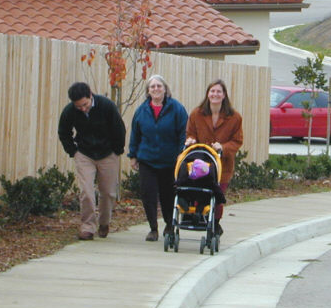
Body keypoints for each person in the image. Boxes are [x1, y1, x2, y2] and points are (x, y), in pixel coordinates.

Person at [58, 82, 126, 241]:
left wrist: (117, 150)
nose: (82, 108)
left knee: (108, 192)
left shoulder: (106, 106)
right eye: (78, 106)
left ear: (90, 96)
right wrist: (73, 151)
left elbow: (119, 129)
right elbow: (63, 132)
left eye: (85, 104)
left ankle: (104, 222)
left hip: (108, 153)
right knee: (87, 192)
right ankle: (88, 227)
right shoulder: (69, 112)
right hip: (84, 154)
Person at [128, 75, 188, 242]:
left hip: (169, 161)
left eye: (159, 86)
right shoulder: (141, 110)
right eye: (152, 87)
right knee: (148, 194)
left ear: (165, 89)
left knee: (168, 195)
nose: (156, 89)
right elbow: (135, 134)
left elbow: (183, 133)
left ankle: (169, 225)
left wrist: (180, 153)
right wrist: (133, 155)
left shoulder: (176, 109)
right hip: (147, 160)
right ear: (148, 91)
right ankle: (153, 228)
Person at [185, 79, 243, 236]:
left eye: (218, 91)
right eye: (212, 91)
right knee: (199, 191)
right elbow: (190, 133)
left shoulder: (234, 117)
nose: (215, 94)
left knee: (217, 195)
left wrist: (223, 147)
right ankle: (197, 215)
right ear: (207, 94)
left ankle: (216, 223)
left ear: (224, 95)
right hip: (200, 162)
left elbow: (237, 141)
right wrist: (190, 140)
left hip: (222, 164)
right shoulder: (197, 114)